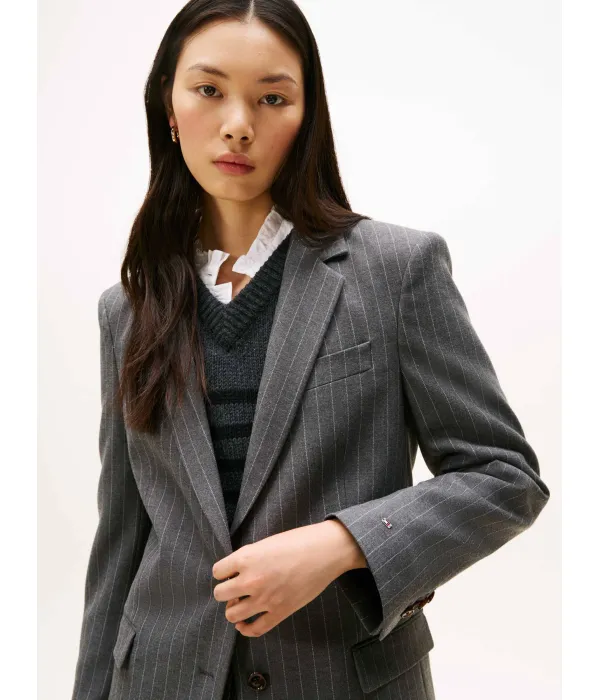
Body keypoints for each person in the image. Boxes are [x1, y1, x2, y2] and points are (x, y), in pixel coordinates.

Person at [70, 2, 551, 699]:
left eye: (272, 98)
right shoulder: (128, 309)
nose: (238, 123)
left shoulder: (396, 271)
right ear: (168, 106)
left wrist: (341, 544)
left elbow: (503, 476)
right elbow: (119, 547)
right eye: (209, 90)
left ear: (307, 115)